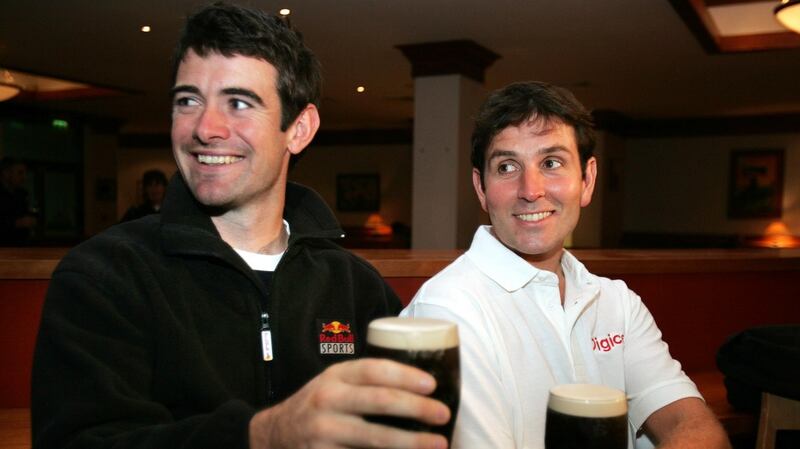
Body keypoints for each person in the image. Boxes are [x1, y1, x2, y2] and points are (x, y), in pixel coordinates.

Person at [32, 3, 451, 449]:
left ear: (300, 129)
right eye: (188, 101)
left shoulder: (357, 288)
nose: (205, 128)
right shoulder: (104, 276)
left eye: (238, 103)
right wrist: (264, 436)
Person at [401, 81, 731, 449]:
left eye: (551, 163)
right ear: (481, 188)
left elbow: (694, 426)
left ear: (587, 180)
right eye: (507, 166)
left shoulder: (617, 303)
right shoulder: (447, 310)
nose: (531, 190)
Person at [0, 157, 37, 245]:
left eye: (25, 173)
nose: (24, 177)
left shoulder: (22, 195)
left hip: (22, 246)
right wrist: (16, 223)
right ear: (6, 173)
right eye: (20, 173)